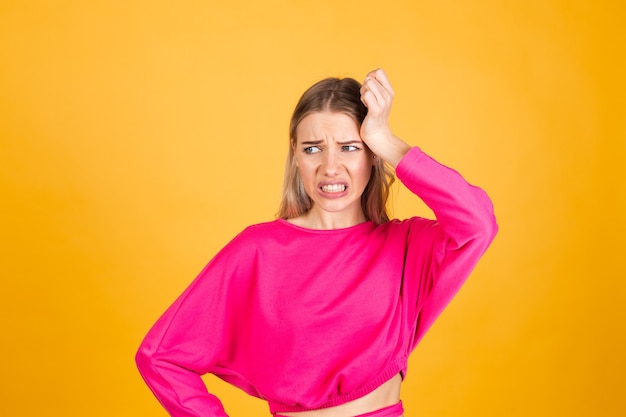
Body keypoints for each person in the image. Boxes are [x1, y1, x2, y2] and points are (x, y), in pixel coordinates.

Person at [135, 69, 498, 417]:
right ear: (295, 153)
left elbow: (478, 223)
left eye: (349, 147)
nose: (330, 167)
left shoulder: (405, 246)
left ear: (372, 155)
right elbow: (160, 355)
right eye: (312, 149)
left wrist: (385, 139)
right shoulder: (258, 250)